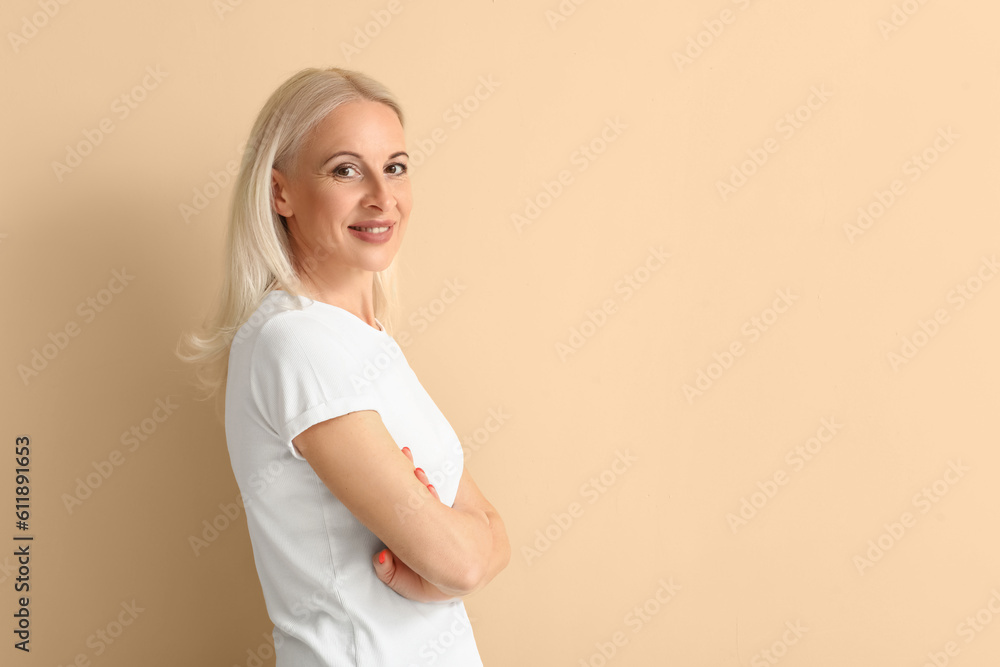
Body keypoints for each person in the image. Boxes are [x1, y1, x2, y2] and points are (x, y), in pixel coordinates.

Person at [176, 66, 510, 666]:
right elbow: (463, 558)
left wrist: (456, 547)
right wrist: (452, 548)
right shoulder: (297, 343)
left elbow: (491, 535)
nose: (382, 196)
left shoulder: (364, 341)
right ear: (280, 193)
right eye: (345, 170)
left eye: (396, 166)